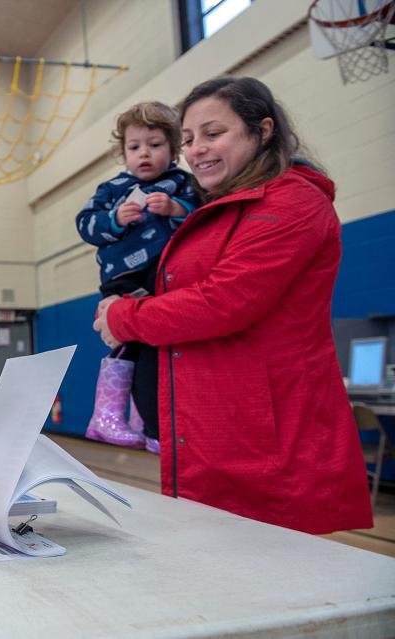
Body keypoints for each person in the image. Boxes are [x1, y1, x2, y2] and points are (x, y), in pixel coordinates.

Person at [92, 77, 373, 534]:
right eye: (188, 140)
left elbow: (223, 302)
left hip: (269, 443)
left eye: (213, 133)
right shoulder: (217, 209)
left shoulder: (293, 200)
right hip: (214, 436)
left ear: (262, 131)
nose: (197, 149)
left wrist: (124, 317)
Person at [76, 102, 199, 453]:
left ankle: (146, 422)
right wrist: (115, 218)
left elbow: (202, 219)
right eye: (134, 147)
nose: (144, 153)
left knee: (160, 354)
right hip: (125, 279)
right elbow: (85, 224)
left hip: (168, 279)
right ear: (123, 153)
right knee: (130, 344)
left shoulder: (182, 185)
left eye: (155, 145)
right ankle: (107, 414)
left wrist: (177, 210)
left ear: (174, 149)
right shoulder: (113, 189)